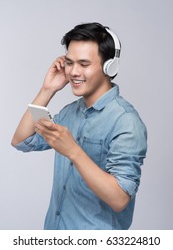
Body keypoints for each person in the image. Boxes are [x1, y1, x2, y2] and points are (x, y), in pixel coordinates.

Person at [11, 22, 147, 230]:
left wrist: (73, 151)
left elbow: (120, 199)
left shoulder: (126, 121)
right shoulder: (69, 113)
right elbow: (22, 140)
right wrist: (47, 90)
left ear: (109, 67)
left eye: (84, 64)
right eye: (69, 62)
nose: (73, 71)